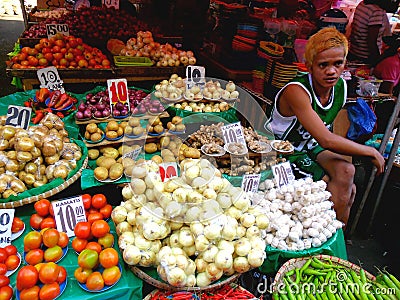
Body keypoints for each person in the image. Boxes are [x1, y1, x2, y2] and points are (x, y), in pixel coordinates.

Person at [265, 27, 385, 227]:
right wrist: (370, 151)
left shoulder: (340, 88)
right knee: (336, 187)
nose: (331, 71)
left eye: (338, 64)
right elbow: (326, 139)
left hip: (311, 147)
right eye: (323, 65)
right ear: (309, 66)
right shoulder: (296, 91)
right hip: (282, 150)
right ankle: (322, 237)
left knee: (346, 173)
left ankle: (334, 237)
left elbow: (322, 140)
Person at [348, 0, 398, 65]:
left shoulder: (362, 4)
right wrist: (376, 61)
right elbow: (371, 40)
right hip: (366, 57)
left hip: (354, 51)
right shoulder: (377, 12)